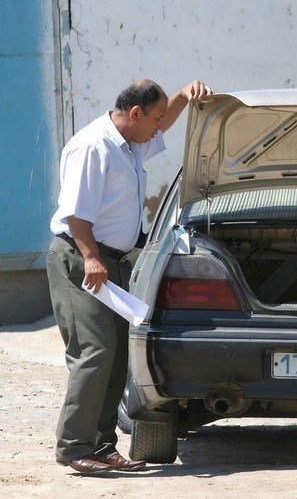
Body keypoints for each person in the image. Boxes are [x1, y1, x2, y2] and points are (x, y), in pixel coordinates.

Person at [46, 79, 214, 474]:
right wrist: (90, 258)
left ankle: (102, 446)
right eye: (155, 119)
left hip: (112, 261)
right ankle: (74, 447)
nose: (160, 127)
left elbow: (164, 119)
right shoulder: (94, 146)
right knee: (96, 351)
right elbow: (76, 213)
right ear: (135, 113)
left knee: (118, 354)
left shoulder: (131, 142)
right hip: (82, 259)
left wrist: (184, 96)